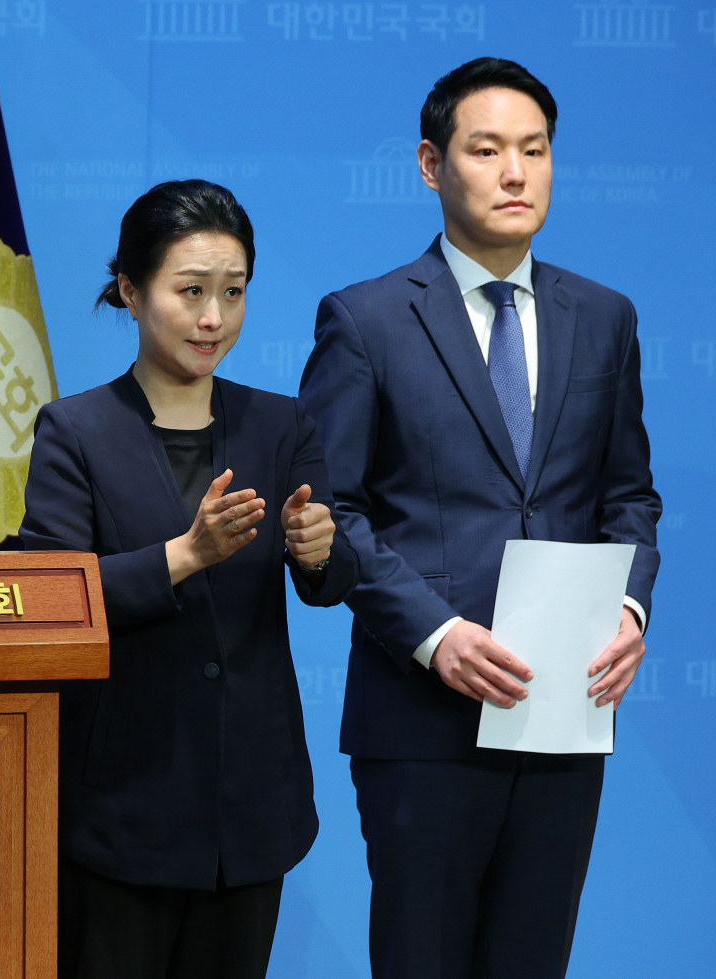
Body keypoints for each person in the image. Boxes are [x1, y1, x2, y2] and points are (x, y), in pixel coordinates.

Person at [298, 59, 662, 979]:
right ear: (430, 164)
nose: (515, 173)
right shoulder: (366, 319)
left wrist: (630, 611)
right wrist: (435, 634)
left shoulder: (606, 317)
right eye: (487, 149)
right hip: (422, 722)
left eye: (534, 151)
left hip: (563, 718)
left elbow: (628, 495)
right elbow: (334, 510)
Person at [21, 180, 360, 979]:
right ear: (133, 291)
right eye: (191, 292)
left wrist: (317, 548)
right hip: (121, 801)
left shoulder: (281, 424)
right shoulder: (76, 430)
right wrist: (185, 553)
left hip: (251, 802)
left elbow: (331, 576)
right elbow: (52, 597)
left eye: (233, 293)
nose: (214, 319)